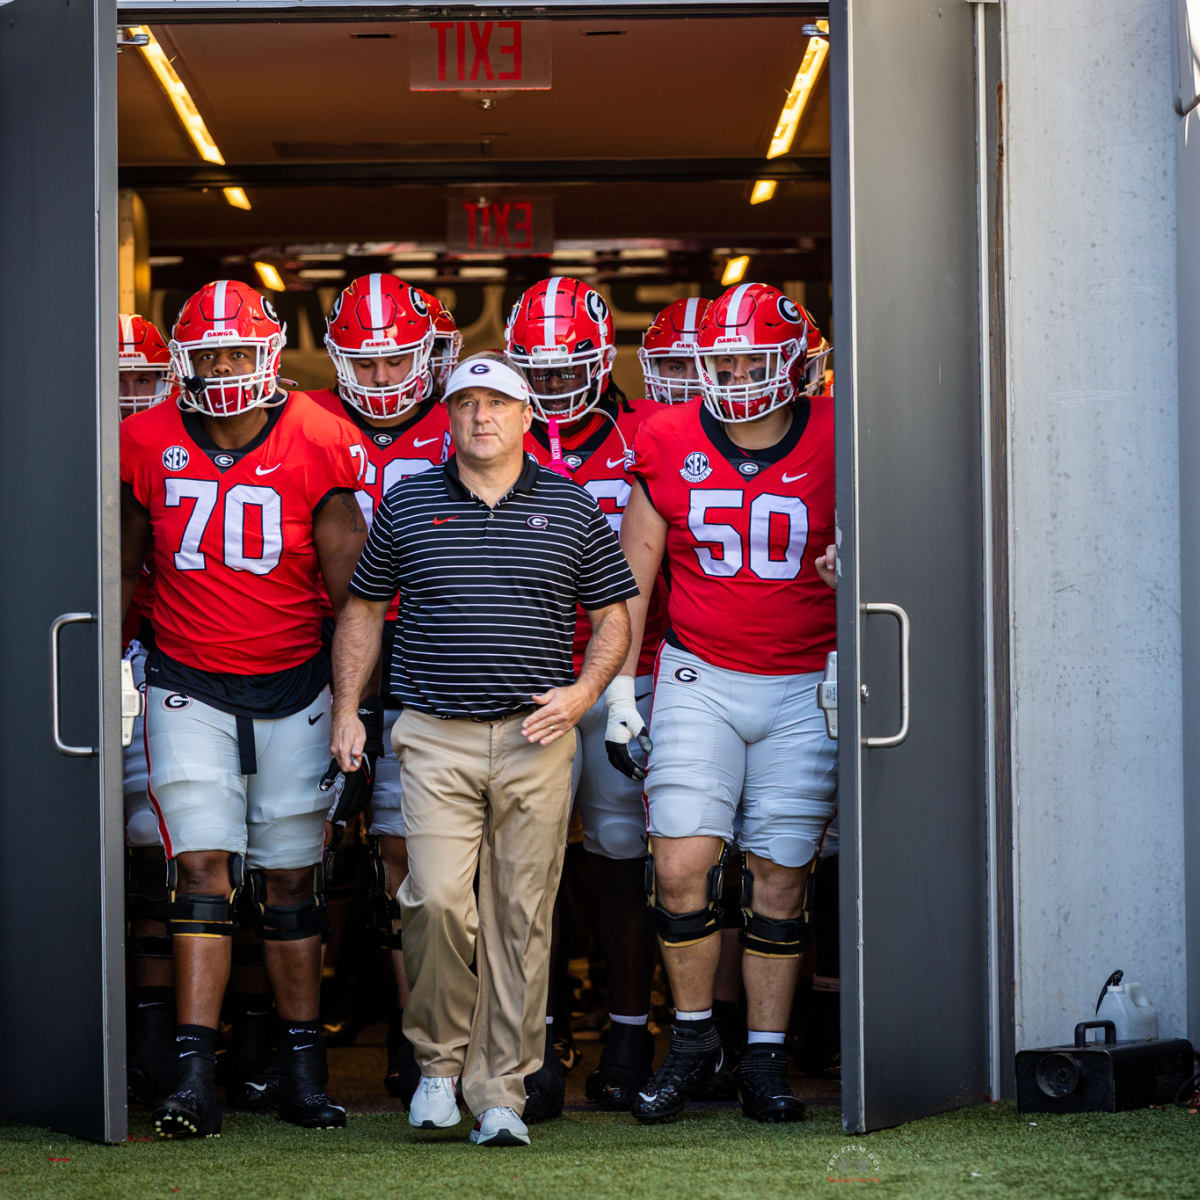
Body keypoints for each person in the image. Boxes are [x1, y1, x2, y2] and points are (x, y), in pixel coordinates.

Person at [329, 352, 638, 1147]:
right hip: (433, 732)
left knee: (521, 917)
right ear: (450, 417)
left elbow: (613, 617)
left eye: (496, 404)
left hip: (537, 739)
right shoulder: (408, 503)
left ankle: (500, 1093)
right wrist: (347, 710)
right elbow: (363, 610)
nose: (480, 417)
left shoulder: (571, 508)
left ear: (528, 418)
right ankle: (437, 1067)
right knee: (433, 898)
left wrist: (582, 694)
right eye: (465, 403)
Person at [120, 279, 369, 1139]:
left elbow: (352, 595)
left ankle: (305, 1066)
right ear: (183, 361)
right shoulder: (143, 438)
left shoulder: (322, 438)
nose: (223, 366)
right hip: (188, 677)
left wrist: (354, 700)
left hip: (295, 681)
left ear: (269, 356)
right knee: (200, 872)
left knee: (294, 878)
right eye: (209, 352)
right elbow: (121, 571)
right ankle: (195, 1071)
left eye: (235, 349)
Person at [612, 281, 837, 1124]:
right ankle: (697, 1039)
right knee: (679, 865)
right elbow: (632, 575)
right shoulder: (665, 434)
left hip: (803, 679)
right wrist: (619, 692)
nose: (738, 372)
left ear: (794, 362)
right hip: (699, 673)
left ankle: (766, 1060)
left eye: (753, 356)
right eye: (726, 357)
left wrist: (859, 574)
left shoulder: (837, 428)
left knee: (780, 874)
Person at [506, 280, 682, 1111]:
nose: (546, 386)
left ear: (602, 357)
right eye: (531, 370)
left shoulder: (650, 431)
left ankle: (623, 1027)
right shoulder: (485, 432)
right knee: (526, 862)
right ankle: (533, 1034)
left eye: (564, 366)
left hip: (622, 673)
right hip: (526, 673)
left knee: (619, 856)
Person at [311, 273, 451, 1102]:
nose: (379, 377)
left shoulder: (458, 418)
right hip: (321, 648)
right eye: (362, 363)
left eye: (397, 359)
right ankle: (288, 1031)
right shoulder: (309, 422)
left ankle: (414, 1035)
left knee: (408, 851)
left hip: (428, 653)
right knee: (305, 845)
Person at [118, 314, 176, 1107]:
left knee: (152, 843)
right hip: (74, 662)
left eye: (142, 378)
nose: (129, 395)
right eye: (116, 377)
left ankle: (152, 1030)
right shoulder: (45, 428)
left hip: (152, 662)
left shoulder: (166, 443)